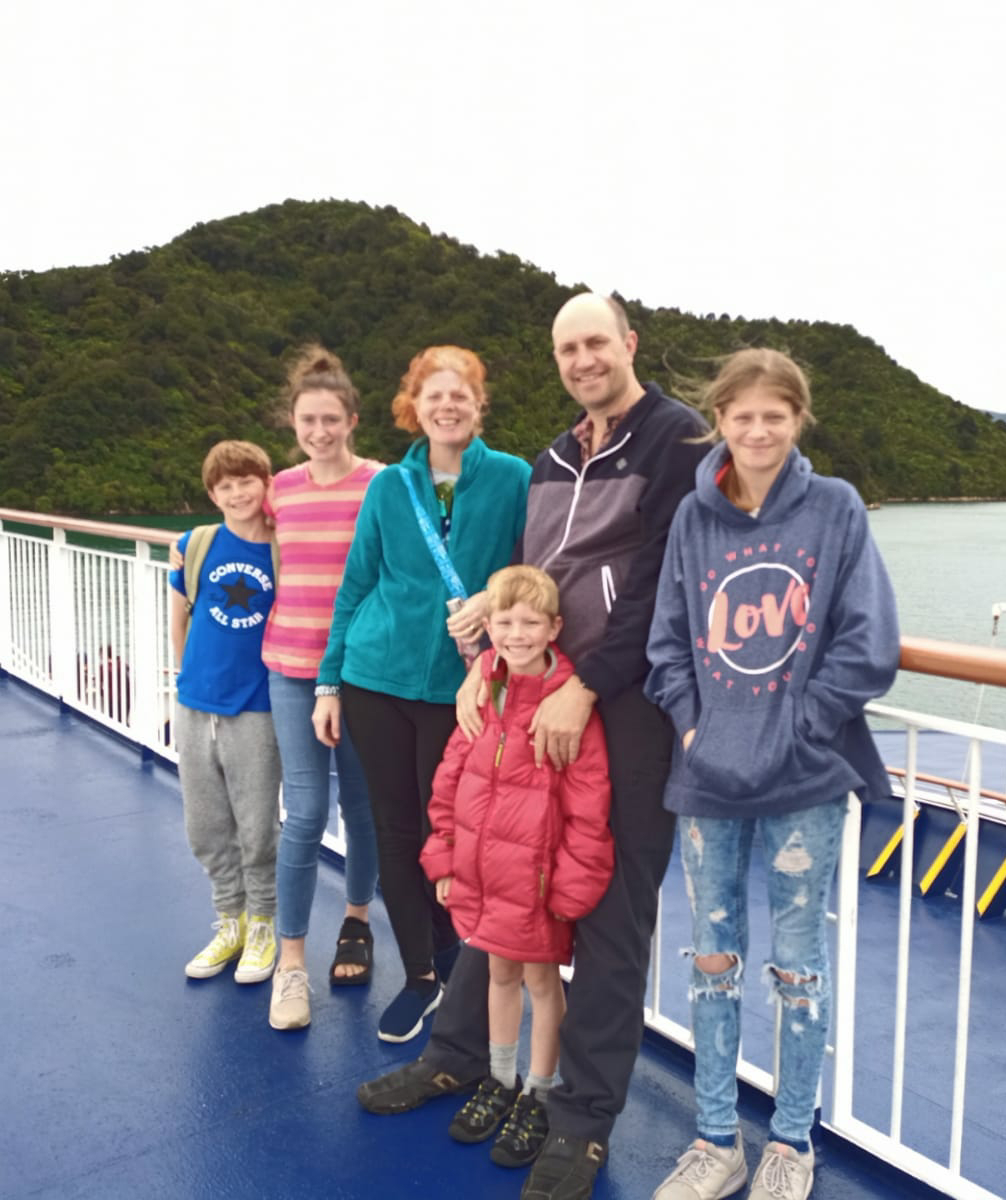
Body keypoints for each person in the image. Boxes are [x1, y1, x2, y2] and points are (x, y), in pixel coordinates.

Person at [356, 293, 709, 1200]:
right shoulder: (555, 455)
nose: (582, 359)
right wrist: (489, 660)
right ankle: (459, 1054)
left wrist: (587, 687)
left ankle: (580, 1116)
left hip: (624, 703)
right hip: (536, 688)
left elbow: (663, 584)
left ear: (628, 344)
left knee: (612, 910)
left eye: (596, 342)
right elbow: (533, 576)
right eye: (566, 348)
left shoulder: (678, 440)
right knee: (506, 880)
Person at [644, 349, 900, 1200]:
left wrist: (803, 724)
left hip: (803, 776)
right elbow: (666, 641)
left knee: (797, 965)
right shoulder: (693, 517)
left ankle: (790, 1141)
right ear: (718, 420)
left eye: (774, 416)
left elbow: (868, 640)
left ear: (798, 420)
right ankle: (716, 1140)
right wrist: (691, 725)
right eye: (742, 416)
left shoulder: (834, 508)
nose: (757, 431)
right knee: (711, 960)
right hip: (708, 773)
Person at [314, 345, 531, 1043]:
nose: (447, 406)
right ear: (414, 407)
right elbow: (357, 582)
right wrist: (328, 681)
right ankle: (421, 975)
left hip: (460, 689)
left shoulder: (513, 479)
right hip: (374, 678)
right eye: (433, 396)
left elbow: (534, 571)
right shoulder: (388, 486)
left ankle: (459, 957)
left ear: (478, 403)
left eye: (459, 394)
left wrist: (493, 599)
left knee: (458, 829)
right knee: (395, 828)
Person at [419, 565, 615, 1170]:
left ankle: (540, 1091)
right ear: (489, 626)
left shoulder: (567, 707)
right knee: (499, 974)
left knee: (541, 982)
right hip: (485, 876)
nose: (516, 634)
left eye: (531, 623)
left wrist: (572, 886)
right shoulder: (484, 691)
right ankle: (501, 1079)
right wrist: (444, 858)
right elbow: (451, 778)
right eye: (504, 622)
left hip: (536, 883)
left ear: (555, 628)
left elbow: (589, 803)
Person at [260, 347, 385, 1031]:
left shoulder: (380, 484)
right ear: (294, 422)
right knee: (305, 813)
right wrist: (189, 550)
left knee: (361, 808)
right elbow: (246, 537)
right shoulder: (279, 488)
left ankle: (357, 924)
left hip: (361, 672)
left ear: (351, 421)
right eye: (307, 420)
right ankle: (291, 964)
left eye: (330, 419)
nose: (319, 430)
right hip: (288, 665)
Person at [167, 440, 282, 985]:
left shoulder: (284, 549)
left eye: (246, 481)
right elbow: (179, 620)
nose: (237, 493)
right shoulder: (196, 545)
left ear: (267, 483)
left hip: (257, 706)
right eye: (225, 486)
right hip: (195, 703)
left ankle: (262, 925)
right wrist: (185, 681)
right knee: (205, 825)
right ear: (213, 495)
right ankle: (230, 921)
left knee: (257, 827)